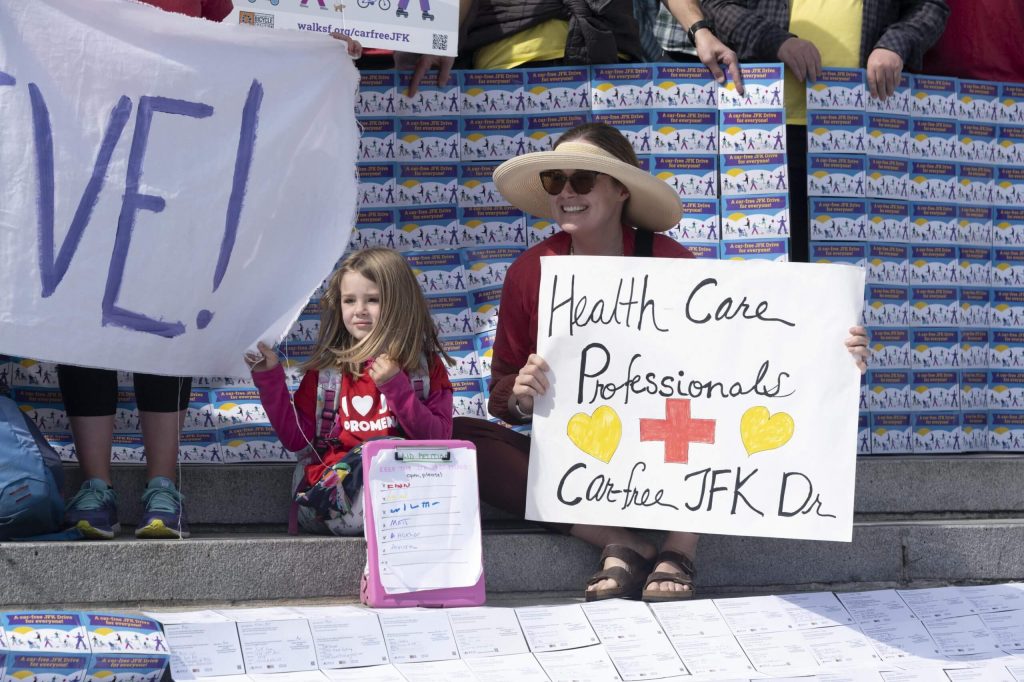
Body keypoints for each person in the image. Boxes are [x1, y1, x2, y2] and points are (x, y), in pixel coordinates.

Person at [453, 122, 870, 601]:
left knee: (732, 413)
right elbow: (501, 393)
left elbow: (741, 360)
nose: (567, 192)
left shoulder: (671, 262)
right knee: (465, 441)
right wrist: (522, 397)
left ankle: (678, 548)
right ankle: (618, 540)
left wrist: (833, 356)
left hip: (673, 448)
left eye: (582, 180)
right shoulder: (530, 271)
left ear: (620, 190)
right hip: (583, 457)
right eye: (555, 180)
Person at [59, 0, 363, 542]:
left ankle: (163, 485)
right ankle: (95, 486)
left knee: (160, 310)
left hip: (181, 149)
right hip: (84, 141)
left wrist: (313, 44)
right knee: (83, 310)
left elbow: (245, 22)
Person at [700, 0, 950, 262]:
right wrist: (776, 41)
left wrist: (895, 45)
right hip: (766, 129)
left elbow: (930, 6)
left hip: (861, 132)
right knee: (767, 266)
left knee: (852, 267)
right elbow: (717, 5)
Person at [246, 248, 454, 536]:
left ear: (401, 303)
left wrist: (396, 386)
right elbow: (297, 440)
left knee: (432, 483)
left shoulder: (424, 370)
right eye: (349, 300)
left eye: (373, 300)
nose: (359, 310)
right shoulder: (327, 373)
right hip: (333, 497)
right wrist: (269, 378)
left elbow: (438, 441)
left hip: (405, 489)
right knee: (380, 486)